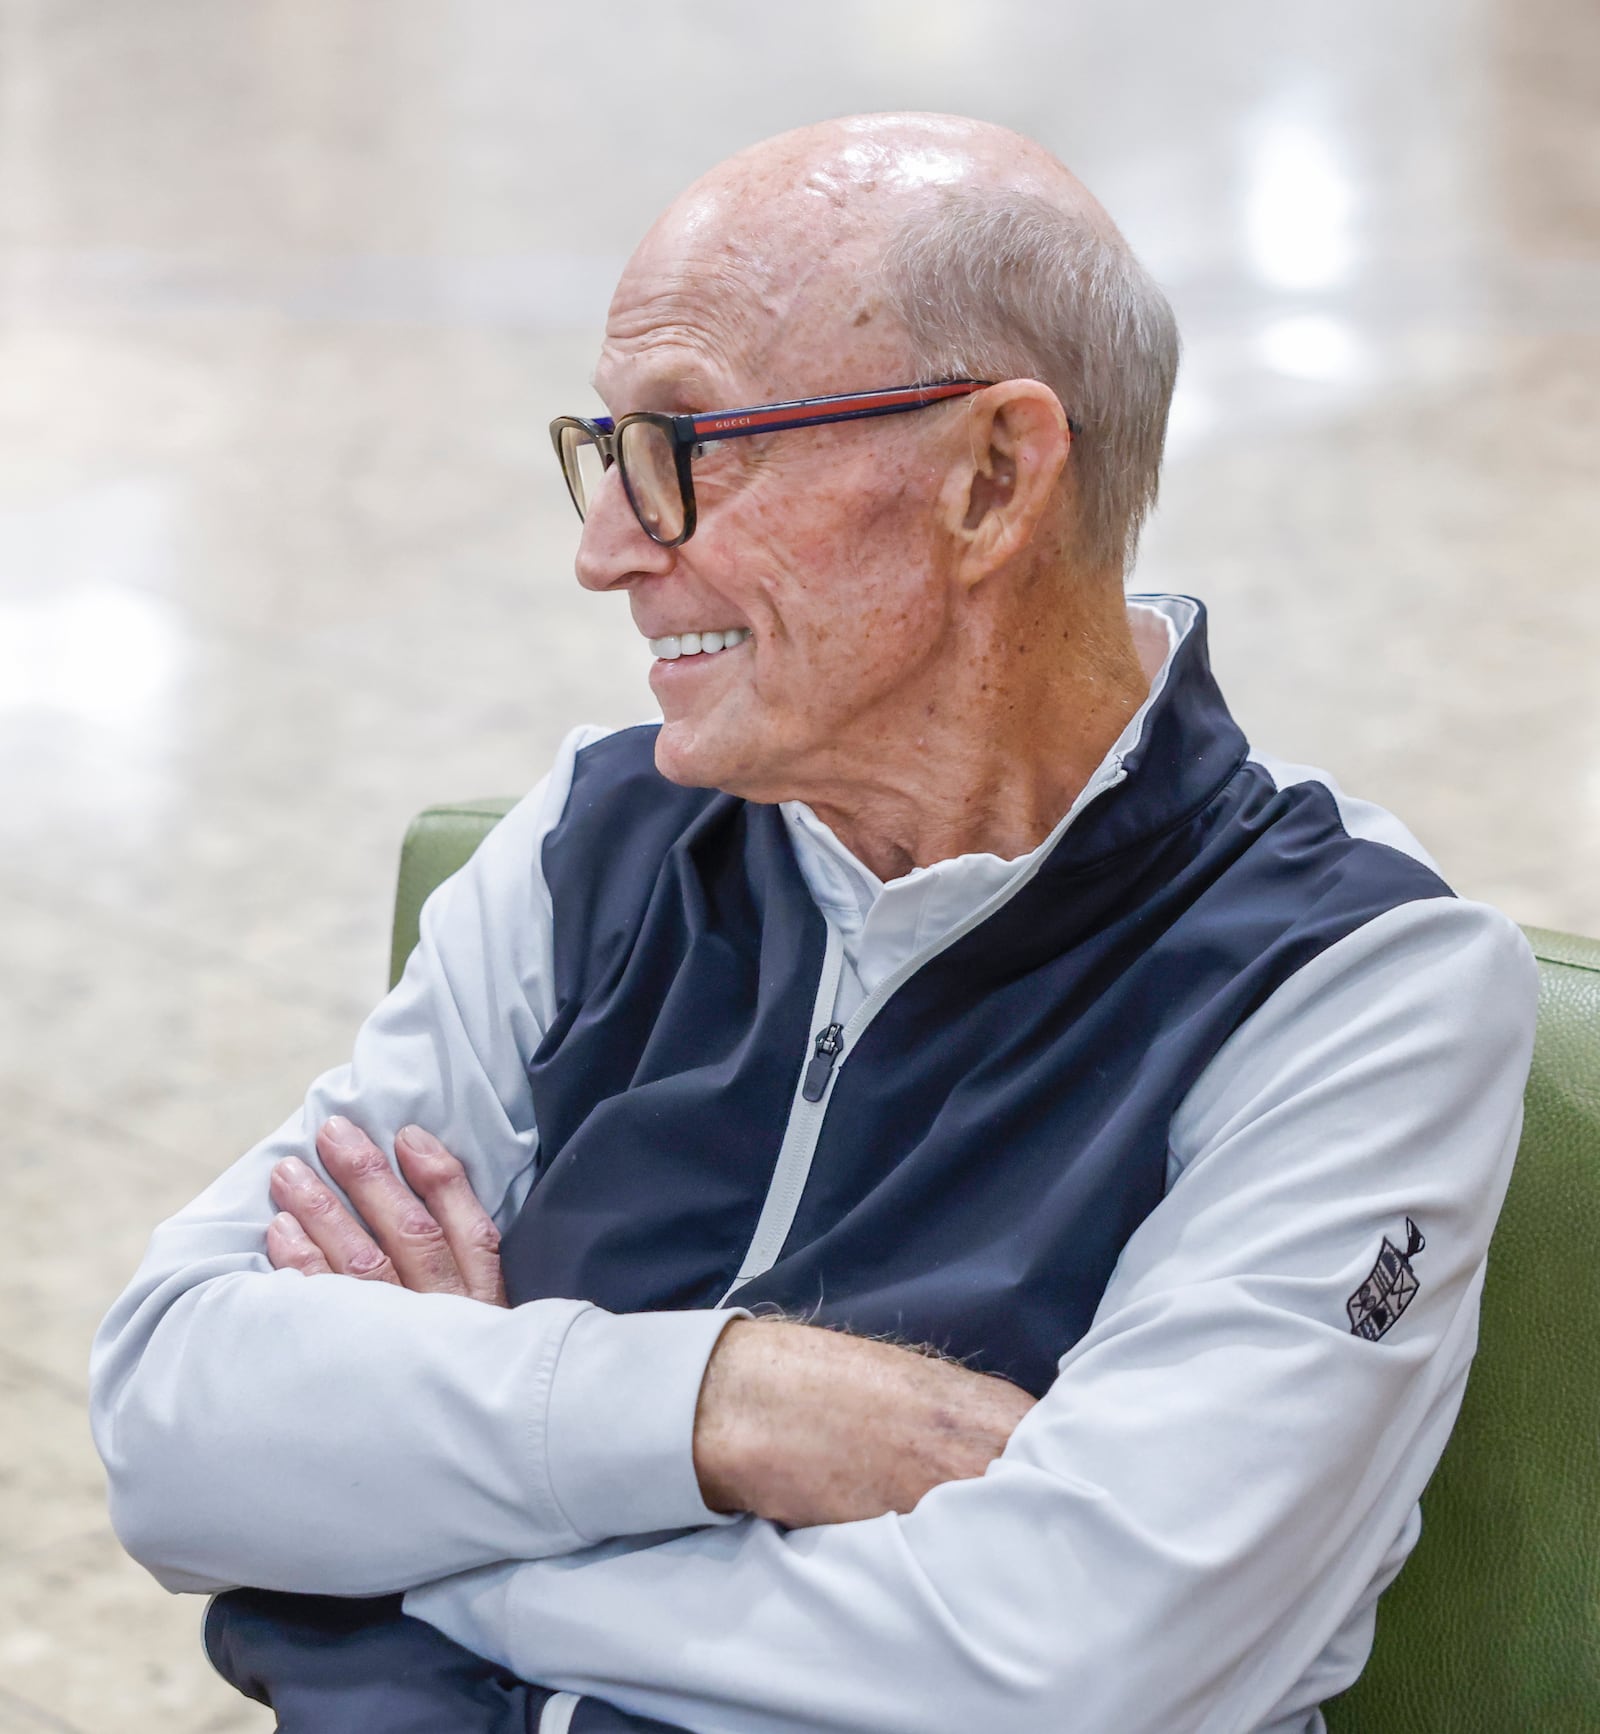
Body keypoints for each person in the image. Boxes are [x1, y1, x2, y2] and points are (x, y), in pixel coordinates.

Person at [90, 112, 1537, 1734]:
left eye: (683, 446)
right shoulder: (594, 839)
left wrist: (403, 1527)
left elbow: (1069, 1663)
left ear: (993, 477)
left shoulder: (1356, 987)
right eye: (604, 449)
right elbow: (170, 1416)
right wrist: (730, 1404)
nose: (605, 547)